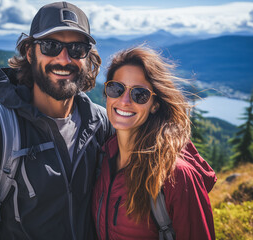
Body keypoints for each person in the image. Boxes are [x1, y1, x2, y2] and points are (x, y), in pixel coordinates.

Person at [0, 2, 113, 240]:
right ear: (29, 52)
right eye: (50, 46)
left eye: (77, 48)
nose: (64, 59)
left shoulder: (102, 125)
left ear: (88, 57)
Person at [92, 46, 217, 240]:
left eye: (139, 94)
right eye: (116, 88)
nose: (124, 101)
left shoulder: (176, 176)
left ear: (155, 105)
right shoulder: (103, 158)